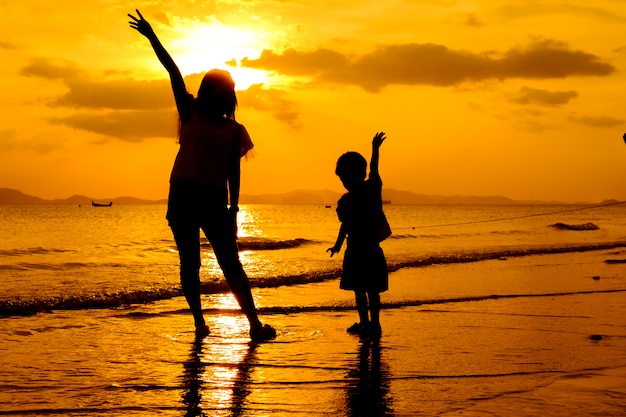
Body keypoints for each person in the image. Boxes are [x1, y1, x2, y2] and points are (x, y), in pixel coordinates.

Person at [128, 9, 275, 341]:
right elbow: (173, 72)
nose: (228, 94)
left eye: (230, 90)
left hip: (212, 199)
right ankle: (198, 323)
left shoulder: (235, 130)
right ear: (212, 93)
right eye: (224, 90)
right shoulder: (190, 112)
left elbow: (234, 173)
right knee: (190, 263)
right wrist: (153, 37)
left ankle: (253, 324)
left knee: (230, 263)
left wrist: (234, 209)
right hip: (182, 193)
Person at [327, 132, 389, 337]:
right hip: (365, 249)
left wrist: (375, 150)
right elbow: (345, 225)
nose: (344, 182)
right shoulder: (369, 190)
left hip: (358, 250)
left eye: (344, 178)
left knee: (363, 290)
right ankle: (371, 323)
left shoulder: (355, 196)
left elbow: (374, 168)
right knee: (367, 290)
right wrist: (337, 245)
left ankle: (369, 323)